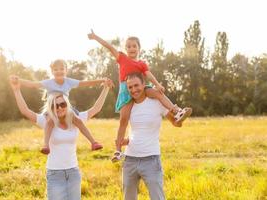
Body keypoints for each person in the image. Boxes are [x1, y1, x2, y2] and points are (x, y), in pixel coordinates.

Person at [88, 30, 192, 162]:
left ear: (139, 49)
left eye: (134, 46)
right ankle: (118, 150)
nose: (131, 48)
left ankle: (177, 111)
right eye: (129, 46)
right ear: (125, 49)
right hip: (126, 91)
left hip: (141, 88)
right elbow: (109, 47)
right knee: (123, 121)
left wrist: (157, 85)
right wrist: (95, 37)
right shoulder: (122, 58)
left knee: (158, 94)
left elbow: (148, 75)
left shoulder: (142, 64)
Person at [10, 76, 113, 200]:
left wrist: (106, 88)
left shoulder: (75, 120)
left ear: (67, 105)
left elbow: (96, 108)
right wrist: (16, 90)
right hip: (55, 174)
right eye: (55, 106)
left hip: (73, 173)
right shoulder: (46, 121)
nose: (59, 108)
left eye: (62, 104)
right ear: (51, 108)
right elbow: (25, 111)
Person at [11, 59, 106, 155]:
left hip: (67, 107)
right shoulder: (49, 82)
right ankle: (46, 145)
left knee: (77, 120)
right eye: (56, 69)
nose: (59, 71)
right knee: (49, 121)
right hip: (51, 107)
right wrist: (18, 81)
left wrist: (102, 81)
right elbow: (33, 85)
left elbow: (85, 83)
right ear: (52, 71)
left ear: (66, 70)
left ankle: (93, 142)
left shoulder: (69, 82)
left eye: (61, 69)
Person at [120, 72, 179, 200]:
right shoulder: (128, 106)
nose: (134, 90)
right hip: (130, 159)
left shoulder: (156, 102)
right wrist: (125, 140)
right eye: (130, 87)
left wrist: (180, 119)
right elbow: (133, 130)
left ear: (144, 84)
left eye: (136, 85)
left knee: (157, 197)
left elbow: (175, 123)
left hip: (151, 159)